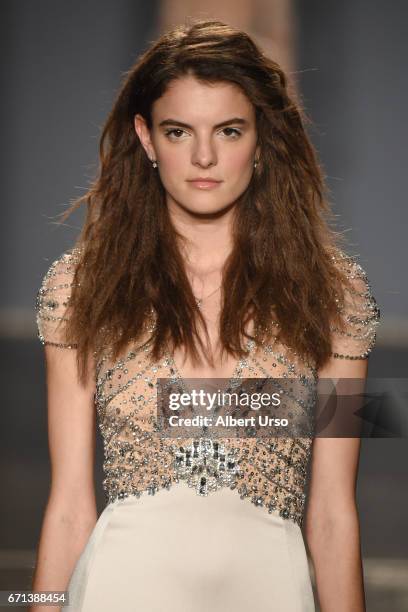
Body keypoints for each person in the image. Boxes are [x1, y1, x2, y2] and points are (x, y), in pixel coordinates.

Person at [31, 19, 380, 612]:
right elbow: (68, 506)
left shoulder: (332, 293)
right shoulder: (82, 287)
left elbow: (332, 512)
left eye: (228, 130)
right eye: (177, 131)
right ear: (145, 139)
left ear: (262, 137)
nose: (203, 156)